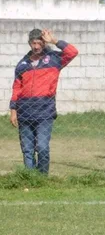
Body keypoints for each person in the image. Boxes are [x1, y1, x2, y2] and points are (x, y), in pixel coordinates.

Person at [9, 28, 78, 175]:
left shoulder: (54, 59)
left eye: (39, 43)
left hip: (45, 112)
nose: (36, 46)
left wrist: (54, 40)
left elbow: (72, 52)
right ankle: (30, 176)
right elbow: (16, 88)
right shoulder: (22, 64)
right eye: (33, 43)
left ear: (44, 43)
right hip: (24, 112)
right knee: (27, 149)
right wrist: (13, 110)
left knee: (42, 147)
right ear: (29, 43)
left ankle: (42, 177)